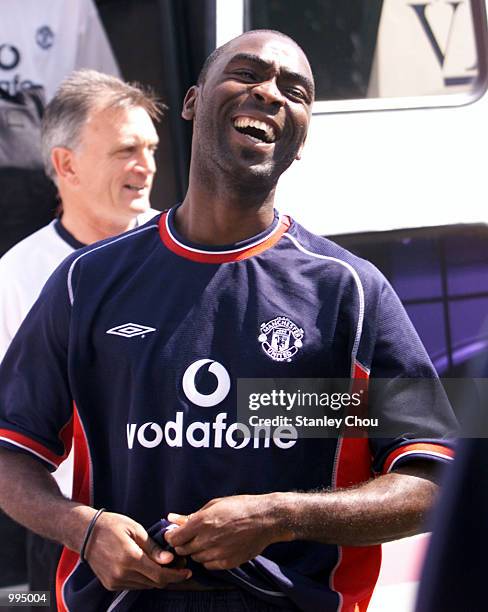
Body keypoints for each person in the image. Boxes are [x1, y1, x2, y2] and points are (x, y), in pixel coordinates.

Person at [0, 30, 456, 612]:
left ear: (301, 138)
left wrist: (278, 516)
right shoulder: (85, 281)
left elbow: (435, 480)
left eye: (295, 90)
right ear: (192, 102)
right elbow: (12, 451)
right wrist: (83, 530)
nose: (269, 94)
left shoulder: (351, 291)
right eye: (248, 73)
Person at [0, 69, 162, 599]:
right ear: (65, 164)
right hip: (68, 536)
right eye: (125, 150)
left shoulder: (191, 249)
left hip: (193, 529)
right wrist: (81, 527)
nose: (147, 166)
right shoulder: (18, 275)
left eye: (151, 148)